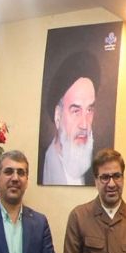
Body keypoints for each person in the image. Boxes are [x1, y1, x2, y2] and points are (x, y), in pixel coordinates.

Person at [42, 51, 98, 186]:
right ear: (58, 116)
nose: (84, 125)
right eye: (76, 111)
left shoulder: (98, 166)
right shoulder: (45, 163)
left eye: (89, 110)